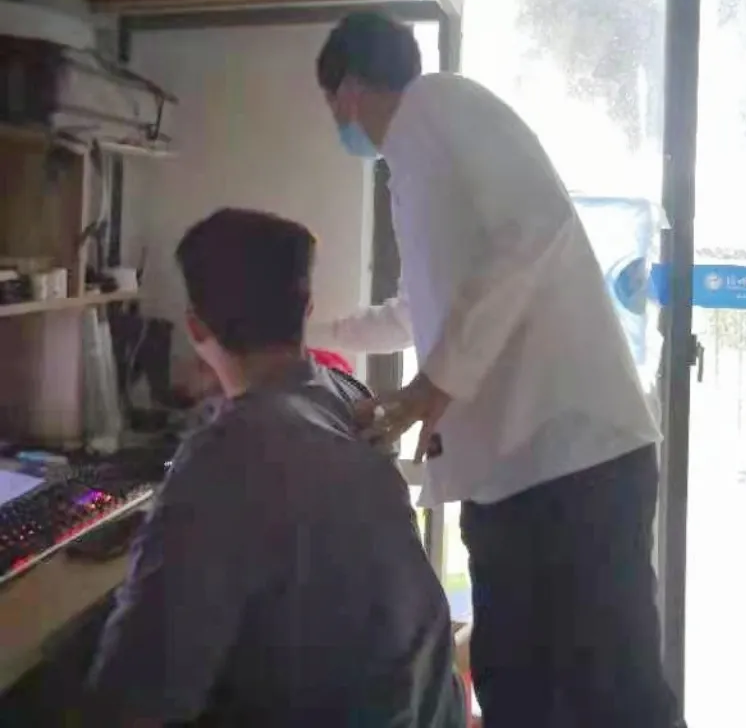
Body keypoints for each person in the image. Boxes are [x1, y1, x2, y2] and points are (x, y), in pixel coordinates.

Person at [314, 12, 684, 728]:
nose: (339, 125)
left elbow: (534, 230)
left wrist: (432, 386)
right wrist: (311, 334)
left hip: (573, 458)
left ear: (350, 90)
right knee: (517, 684)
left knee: (614, 692)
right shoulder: (409, 170)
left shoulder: (441, 104)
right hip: (512, 476)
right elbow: (416, 310)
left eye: (332, 106)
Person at [87, 208, 464, 728]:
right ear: (307, 309)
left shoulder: (224, 454)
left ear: (195, 327)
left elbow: (137, 694)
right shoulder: (348, 397)